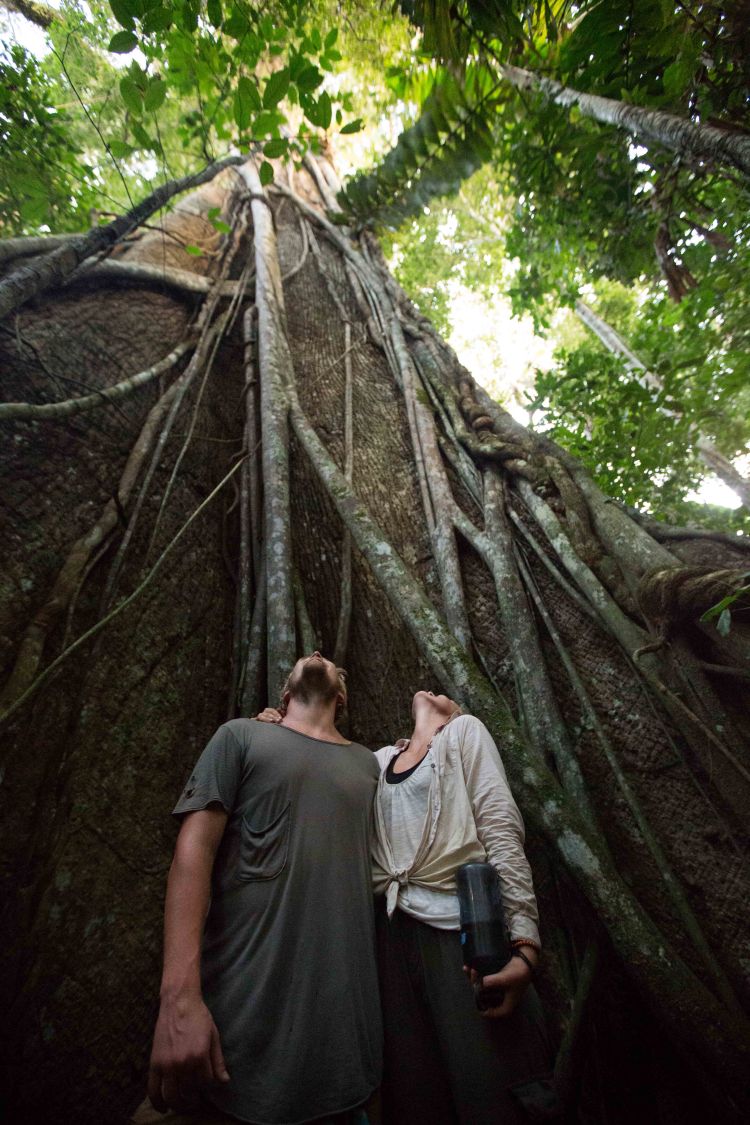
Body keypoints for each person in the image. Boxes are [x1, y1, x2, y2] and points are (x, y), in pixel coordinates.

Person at [258, 688, 556, 1125]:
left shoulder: (463, 732)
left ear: (452, 713)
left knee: (490, 1089)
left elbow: (500, 829)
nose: (434, 690)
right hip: (388, 944)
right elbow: (322, 788)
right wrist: (278, 732)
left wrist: (525, 946)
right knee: (415, 1096)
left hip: (463, 933)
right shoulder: (376, 761)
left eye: (444, 694)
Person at [138, 653, 382, 1125]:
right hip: (239, 1029)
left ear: (342, 698)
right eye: (306, 657)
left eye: (330, 660)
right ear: (284, 696)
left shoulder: (370, 765)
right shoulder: (241, 736)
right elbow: (192, 854)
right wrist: (178, 1000)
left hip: (346, 1043)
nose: (317, 654)